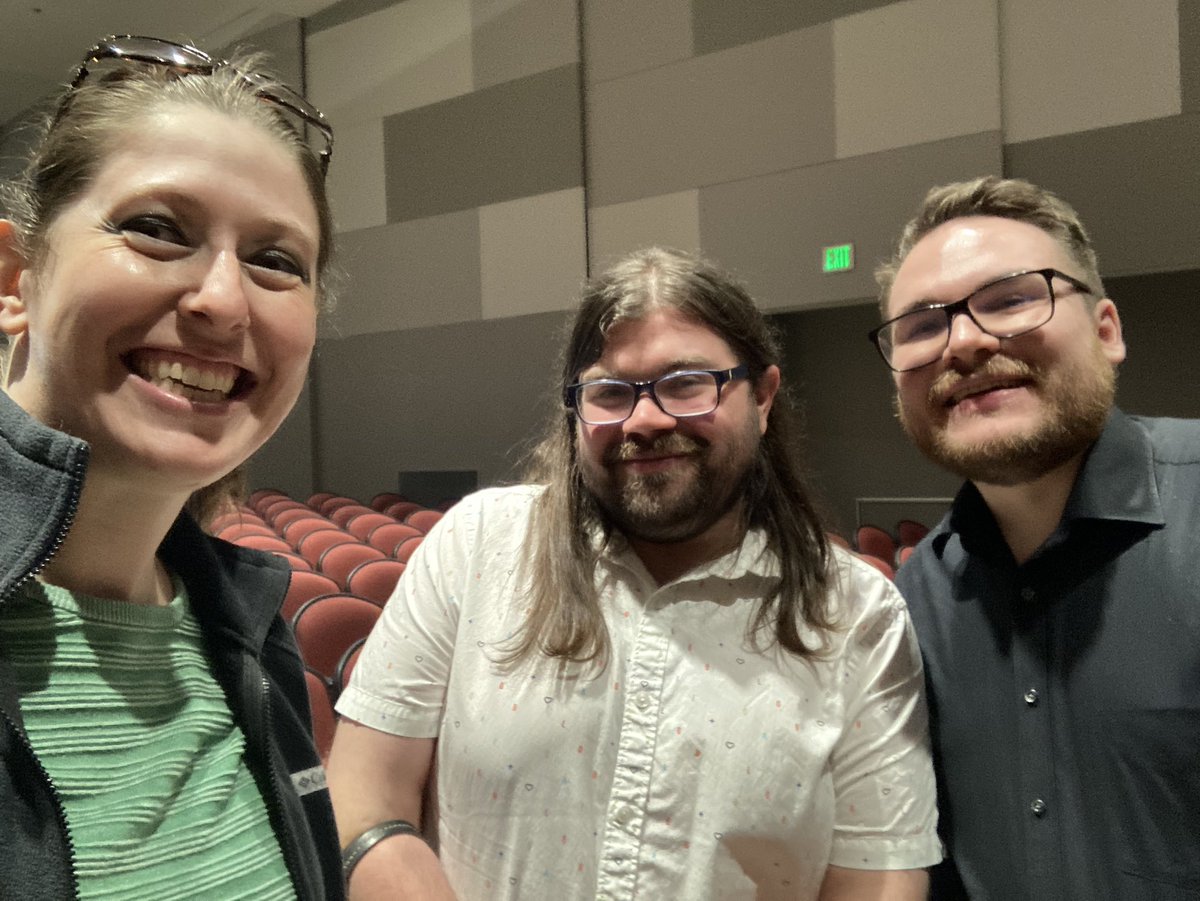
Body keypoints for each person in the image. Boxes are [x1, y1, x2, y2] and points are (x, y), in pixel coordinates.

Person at [328, 247, 940, 900]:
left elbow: (878, 881)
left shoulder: (857, 614)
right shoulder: (473, 547)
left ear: (762, 398)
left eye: (686, 383)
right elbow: (363, 800)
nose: (645, 419)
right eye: (610, 392)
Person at [0, 35, 344, 899]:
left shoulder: (251, 629)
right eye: (156, 230)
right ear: (14, 279)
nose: (223, 302)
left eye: (276, 260)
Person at [871, 175, 1200, 900]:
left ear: (1107, 329)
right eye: (922, 327)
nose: (963, 341)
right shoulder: (913, 598)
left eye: (1012, 298)